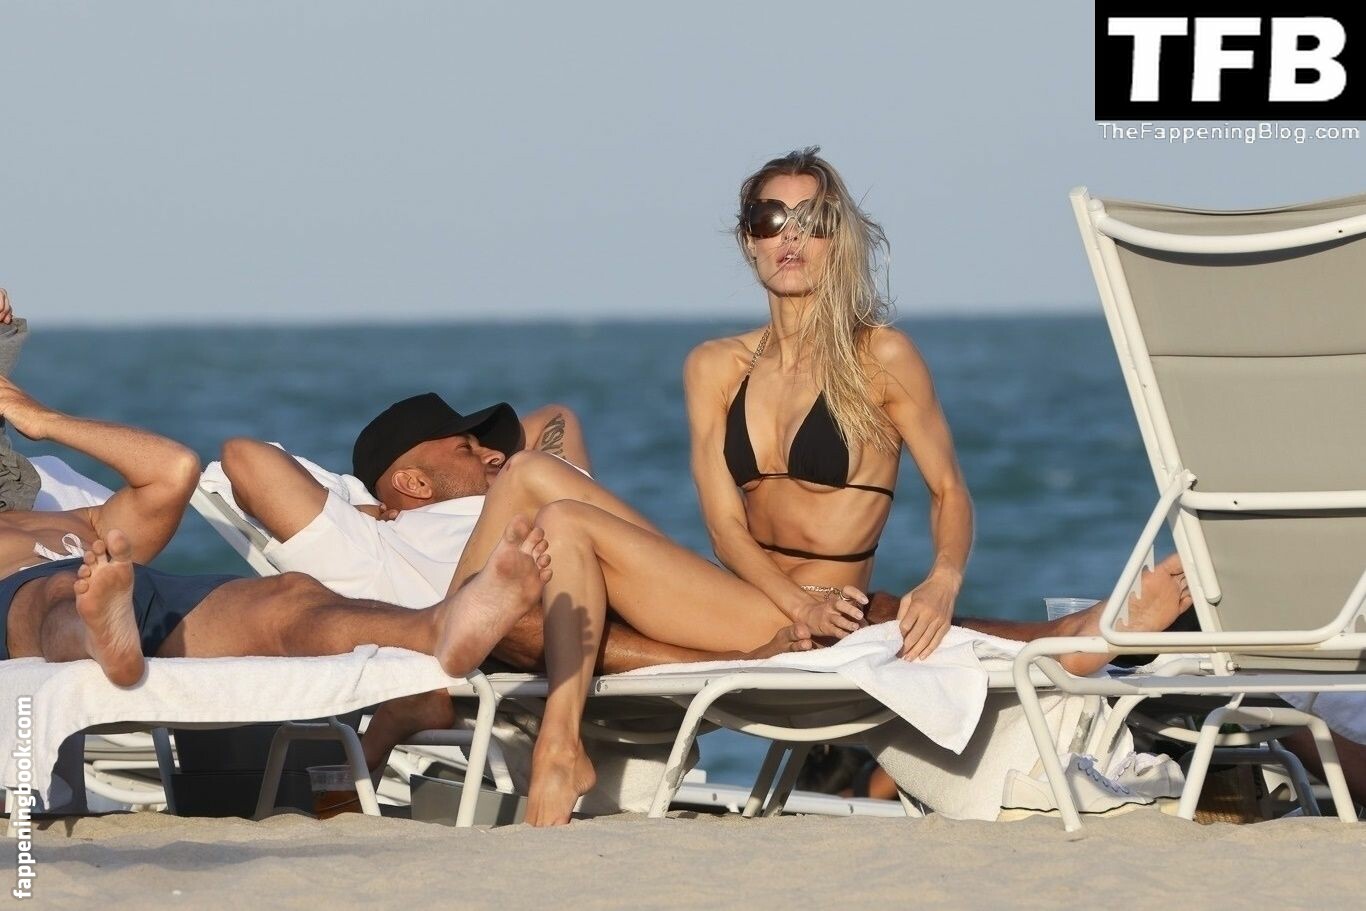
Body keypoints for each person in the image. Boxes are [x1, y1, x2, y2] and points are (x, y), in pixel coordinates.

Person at [0, 373, 553, 689]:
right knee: (56, 595)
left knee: (291, 598)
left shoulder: (85, 520)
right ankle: (96, 637)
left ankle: (435, 629)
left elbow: (174, 469)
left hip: (132, 590)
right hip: (41, 597)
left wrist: (41, 419)